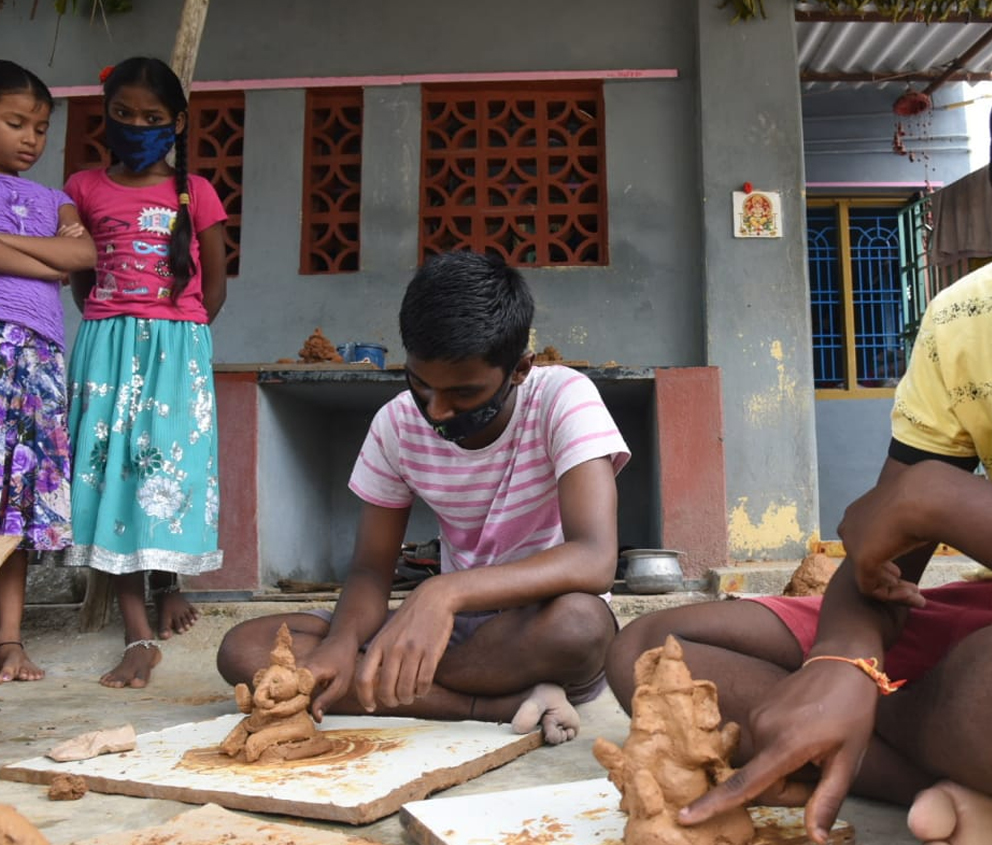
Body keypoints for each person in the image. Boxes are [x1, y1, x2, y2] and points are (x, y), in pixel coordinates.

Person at [605, 0, 992, 845]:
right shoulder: (976, 318)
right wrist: (847, 661)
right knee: (654, 654)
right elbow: (889, 557)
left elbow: (933, 508)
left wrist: (958, 505)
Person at [217, 250, 630, 744]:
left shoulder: (564, 398)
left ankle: (390, 683)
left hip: (532, 626)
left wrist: (444, 592)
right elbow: (371, 570)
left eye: (464, 394)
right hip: (453, 633)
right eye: (420, 384)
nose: (436, 410)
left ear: (519, 369)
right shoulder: (395, 424)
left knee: (580, 627)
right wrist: (343, 644)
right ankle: (497, 706)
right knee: (244, 649)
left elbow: (594, 558)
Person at [65, 57, 228, 689]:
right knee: (113, 473)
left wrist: (175, 333)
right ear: (105, 115)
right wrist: (117, 326)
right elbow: (82, 276)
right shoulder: (81, 187)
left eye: (152, 118)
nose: (136, 126)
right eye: (123, 115)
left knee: (167, 470)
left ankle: (170, 584)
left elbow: (213, 287)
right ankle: (137, 632)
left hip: (178, 348)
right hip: (105, 346)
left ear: (177, 123)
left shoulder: (201, 193)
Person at [0, 61, 97, 683]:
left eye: (39, 127)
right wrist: (46, 259)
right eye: (15, 123)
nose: (32, 138)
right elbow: (59, 258)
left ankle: (9, 641)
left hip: (37, 357)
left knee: (17, 505)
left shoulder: (54, 198)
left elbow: (82, 254)